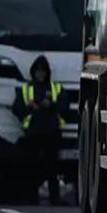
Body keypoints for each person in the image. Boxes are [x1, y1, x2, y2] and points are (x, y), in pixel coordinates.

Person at [11, 55, 70, 205]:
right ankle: (30, 198)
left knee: (52, 169)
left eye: (43, 71)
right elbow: (16, 108)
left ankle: (55, 199)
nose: (40, 74)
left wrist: (48, 105)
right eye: (38, 71)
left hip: (52, 133)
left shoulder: (55, 88)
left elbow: (65, 106)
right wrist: (31, 107)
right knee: (31, 167)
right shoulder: (26, 89)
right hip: (32, 134)